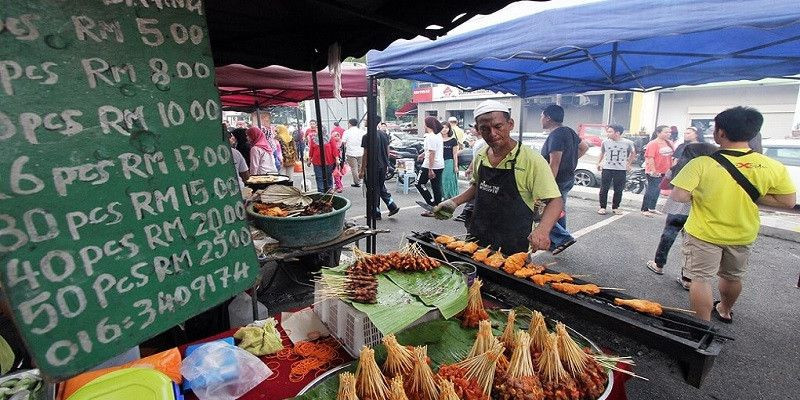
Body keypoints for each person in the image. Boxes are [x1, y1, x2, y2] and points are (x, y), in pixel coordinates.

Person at [670, 106, 796, 322]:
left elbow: (679, 196)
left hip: (703, 233)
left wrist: (704, 193)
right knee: (732, 277)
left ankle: (702, 328)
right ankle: (725, 310)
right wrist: (751, 195)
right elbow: (788, 201)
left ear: (720, 133)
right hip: (742, 233)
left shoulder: (701, 163)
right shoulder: (771, 166)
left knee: (700, 280)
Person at [433, 99, 564, 254]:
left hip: (513, 243)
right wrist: (454, 202)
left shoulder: (531, 160)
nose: (493, 133)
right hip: (477, 237)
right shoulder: (481, 155)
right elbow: (478, 186)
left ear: (510, 124)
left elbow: (555, 200)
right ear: (477, 129)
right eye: (485, 128)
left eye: (498, 126)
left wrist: (543, 230)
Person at [646, 142, 718, 289]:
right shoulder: (715, 171)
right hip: (698, 211)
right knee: (692, 244)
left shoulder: (680, 168)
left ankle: (658, 264)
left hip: (677, 208)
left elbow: (664, 185)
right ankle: (687, 278)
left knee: (668, 235)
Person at [540, 105, 588, 254]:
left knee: (542, 211)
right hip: (567, 178)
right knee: (559, 209)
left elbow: (554, 163)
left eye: (541, 116)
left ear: (548, 117)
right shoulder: (569, 131)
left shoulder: (556, 135)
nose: (540, 119)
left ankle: (562, 238)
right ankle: (557, 242)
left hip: (557, 180)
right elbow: (584, 147)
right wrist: (571, 160)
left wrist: (547, 187)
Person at [359, 123, 400, 219]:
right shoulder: (383, 134)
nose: (365, 121)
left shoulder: (367, 136)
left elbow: (365, 154)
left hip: (373, 167)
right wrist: (387, 163)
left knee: (373, 189)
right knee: (379, 187)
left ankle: (376, 212)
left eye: (366, 119)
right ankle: (391, 205)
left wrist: (362, 170)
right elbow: (387, 150)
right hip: (383, 165)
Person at [597, 124, 636, 214]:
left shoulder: (628, 143)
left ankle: (616, 207)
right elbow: (602, 153)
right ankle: (602, 207)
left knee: (618, 189)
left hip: (621, 169)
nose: (608, 133)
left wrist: (628, 163)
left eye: (610, 131)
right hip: (607, 168)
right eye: (608, 131)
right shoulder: (605, 142)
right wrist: (599, 163)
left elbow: (633, 153)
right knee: (604, 188)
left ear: (617, 133)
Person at [454, 125, 486, 223]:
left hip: (480, 170)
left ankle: (466, 213)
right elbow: (475, 157)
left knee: (476, 191)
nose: (470, 130)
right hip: (477, 170)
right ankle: (467, 213)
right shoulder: (478, 142)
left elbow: (478, 158)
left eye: (473, 128)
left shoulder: (483, 142)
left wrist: (470, 168)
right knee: (475, 191)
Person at [641, 125, 674, 215]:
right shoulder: (653, 143)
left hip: (665, 171)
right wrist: (653, 170)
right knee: (652, 189)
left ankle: (652, 207)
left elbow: (672, 157)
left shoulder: (670, 143)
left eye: (669, 132)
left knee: (657, 190)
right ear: (658, 133)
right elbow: (650, 157)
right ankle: (645, 209)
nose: (668, 134)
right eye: (666, 132)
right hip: (654, 171)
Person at [417, 116, 445, 215]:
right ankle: (438, 207)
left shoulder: (430, 136)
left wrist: (430, 169)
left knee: (419, 183)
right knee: (436, 186)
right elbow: (430, 150)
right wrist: (423, 154)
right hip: (439, 164)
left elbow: (432, 153)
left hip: (430, 164)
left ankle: (431, 205)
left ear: (427, 125)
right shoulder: (438, 135)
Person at [308, 126, 337, 192]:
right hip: (317, 161)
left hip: (329, 160)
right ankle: (321, 190)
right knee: (319, 177)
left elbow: (334, 149)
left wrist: (337, 159)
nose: (317, 130)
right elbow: (311, 149)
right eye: (317, 128)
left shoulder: (330, 138)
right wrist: (309, 159)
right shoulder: (313, 139)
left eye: (319, 128)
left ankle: (329, 188)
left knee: (328, 175)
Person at [341, 118, 365, 187]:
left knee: (354, 168)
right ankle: (361, 180)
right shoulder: (362, 131)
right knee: (360, 167)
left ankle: (357, 182)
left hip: (351, 152)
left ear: (350, 124)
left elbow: (343, 142)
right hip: (361, 152)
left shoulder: (347, 132)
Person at [441, 122, 460, 199]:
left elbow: (455, 154)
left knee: (448, 179)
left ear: (449, 129)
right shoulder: (437, 139)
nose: (444, 129)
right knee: (440, 180)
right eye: (442, 127)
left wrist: (455, 166)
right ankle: (442, 196)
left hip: (449, 162)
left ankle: (450, 196)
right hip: (439, 162)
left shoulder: (453, 140)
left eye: (446, 127)